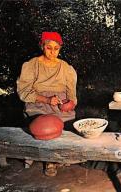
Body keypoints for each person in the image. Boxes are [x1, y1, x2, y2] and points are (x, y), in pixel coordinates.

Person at [17, 31, 77, 176]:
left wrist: (71, 103)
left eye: (56, 49)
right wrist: (47, 100)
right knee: (45, 128)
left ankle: (60, 155)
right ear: (42, 46)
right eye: (49, 47)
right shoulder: (31, 65)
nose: (52, 52)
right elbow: (24, 92)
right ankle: (49, 161)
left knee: (66, 129)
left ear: (60, 49)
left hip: (59, 103)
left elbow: (71, 93)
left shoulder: (65, 68)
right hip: (38, 103)